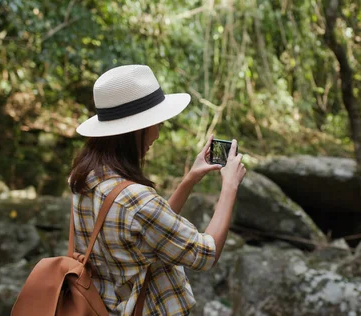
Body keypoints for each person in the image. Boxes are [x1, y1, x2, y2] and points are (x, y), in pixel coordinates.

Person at [69, 64, 246, 315]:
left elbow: (148, 231)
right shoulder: (136, 200)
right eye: (157, 125)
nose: (158, 135)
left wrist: (189, 180)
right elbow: (206, 253)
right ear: (136, 131)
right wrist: (230, 186)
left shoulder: (84, 179)